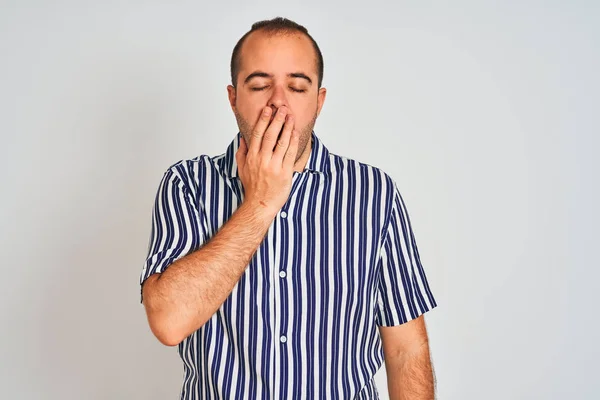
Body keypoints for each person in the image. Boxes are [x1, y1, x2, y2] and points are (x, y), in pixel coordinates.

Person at [140, 16, 438, 400]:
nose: (278, 102)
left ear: (319, 99)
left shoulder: (374, 193)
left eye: (297, 87)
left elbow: (406, 350)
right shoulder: (187, 185)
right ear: (233, 98)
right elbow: (168, 322)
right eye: (260, 85)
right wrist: (261, 202)